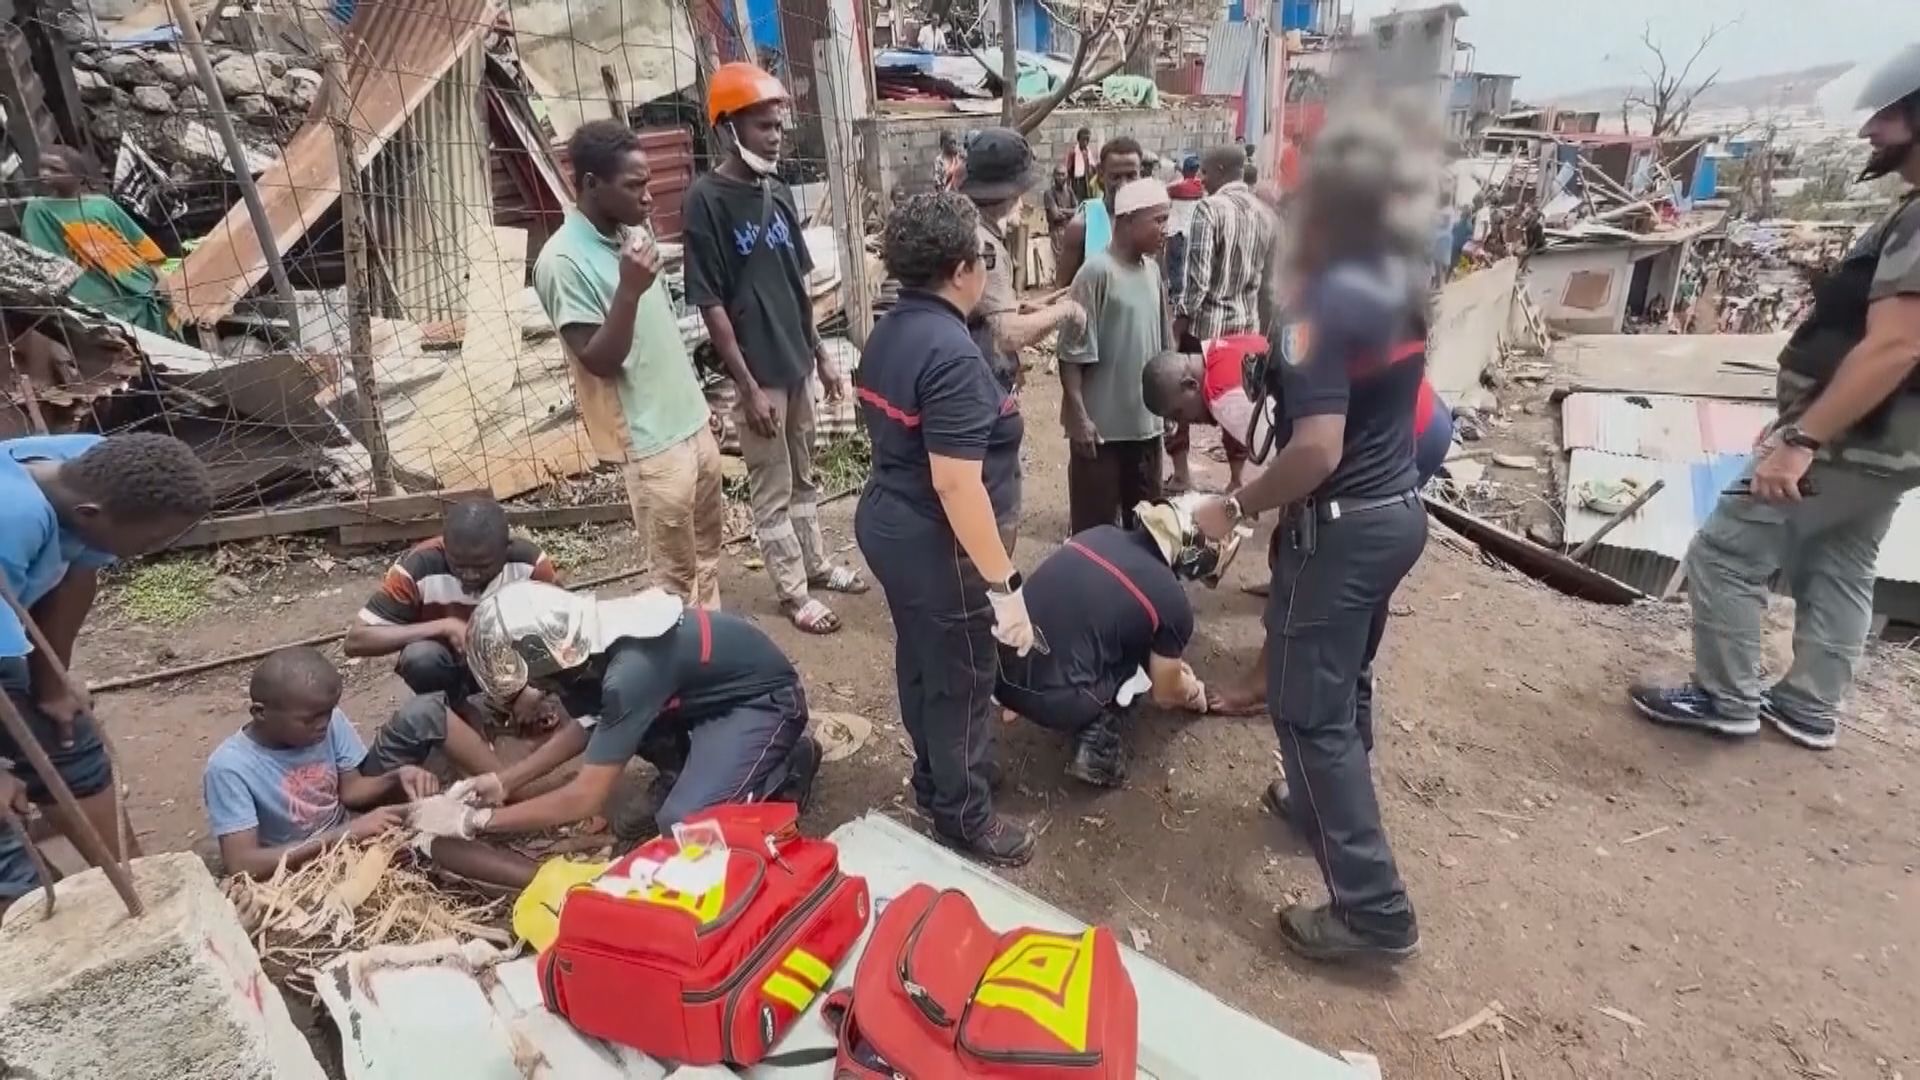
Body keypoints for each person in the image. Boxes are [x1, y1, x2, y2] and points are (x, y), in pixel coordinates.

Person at [1629, 47, 1920, 752]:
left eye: (1885, 117)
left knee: (1726, 553)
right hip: (1891, 445)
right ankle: (1810, 705)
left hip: (1856, 436)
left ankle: (1725, 697)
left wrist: (1802, 439)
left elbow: (1896, 346)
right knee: (1843, 561)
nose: (1868, 133)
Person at [1190, 115, 1431, 963]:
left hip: (1342, 527)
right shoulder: (1398, 283)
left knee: (1305, 709)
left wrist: (1240, 505)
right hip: (1395, 513)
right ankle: (1314, 802)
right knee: (1346, 679)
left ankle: (1372, 910)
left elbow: (1319, 448)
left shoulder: (1316, 312)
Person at [855, 192, 1039, 867]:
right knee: (964, 672)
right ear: (963, 269)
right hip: (936, 539)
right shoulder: (954, 356)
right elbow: (956, 484)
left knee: (923, 656)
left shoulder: (891, 330)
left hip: (889, 521)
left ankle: (937, 777)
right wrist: (1005, 584)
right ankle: (964, 814)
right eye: (984, 259)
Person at [406, 581, 822, 847]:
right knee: (636, 736)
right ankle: (692, 772)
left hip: (764, 702)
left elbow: (585, 797)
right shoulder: (587, 644)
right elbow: (589, 726)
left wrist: (476, 821)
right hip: (704, 703)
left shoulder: (631, 671)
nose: (534, 694)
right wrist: (503, 780)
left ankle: (788, 768)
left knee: (685, 824)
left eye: (531, 681)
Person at [683, 63, 866, 636]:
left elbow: (798, 285)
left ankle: (816, 564)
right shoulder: (705, 201)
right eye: (764, 125)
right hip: (758, 376)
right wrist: (746, 385)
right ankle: (791, 592)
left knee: (806, 475)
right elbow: (711, 304)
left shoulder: (778, 192)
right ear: (728, 129)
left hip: (796, 365)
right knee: (773, 485)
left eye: (779, 125)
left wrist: (822, 356)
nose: (777, 135)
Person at [0, 433, 212, 913]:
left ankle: (142, 892)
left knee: (66, 737)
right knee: (20, 881)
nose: (161, 547)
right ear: (91, 515)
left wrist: (52, 688)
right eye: (155, 540)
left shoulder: (91, 467)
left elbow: (78, 573)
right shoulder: (12, 521)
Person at [534, 122, 723, 611]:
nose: (648, 197)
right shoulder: (561, 261)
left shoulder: (632, 234)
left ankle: (715, 655)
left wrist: (699, 402)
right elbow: (597, 360)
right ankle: (688, 674)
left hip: (692, 424)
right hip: (651, 444)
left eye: (647, 183)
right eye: (634, 186)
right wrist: (628, 290)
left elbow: (659, 335)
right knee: (674, 584)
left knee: (708, 559)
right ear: (593, 184)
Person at [203, 647, 537, 887]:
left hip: (347, 832)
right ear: (260, 713)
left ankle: (546, 879)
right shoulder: (230, 768)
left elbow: (352, 791)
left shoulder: (325, 720)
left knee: (430, 819)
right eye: (311, 719)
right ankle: (541, 882)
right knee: (424, 843)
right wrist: (346, 835)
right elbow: (242, 864)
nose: (324, 725)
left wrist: (396, 776)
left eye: (328, 713)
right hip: (301, 865)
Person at [998, 500, 1225, 787]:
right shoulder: (1171, 601)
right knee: (1140, 658)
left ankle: (1026, 693)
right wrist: (1192, 691)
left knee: (1115, 633)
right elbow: (1166, 694)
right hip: (1052, 700)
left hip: (999, 669)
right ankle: (1097, 750)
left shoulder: (1100, 534)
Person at [342, 498, 558, 726]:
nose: (469, 575)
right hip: (453, 668)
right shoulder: (420, 566)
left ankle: (515, 698)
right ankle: (457, 710)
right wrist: (445, 625)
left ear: (507, 550)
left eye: (482, 566)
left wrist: (532, 688)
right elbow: (356, 639)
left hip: (510, 664)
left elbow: (565, 632)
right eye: (458, 565)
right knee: (420, 657)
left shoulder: (530, 565)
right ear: (445, 547)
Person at [1060, 177, 1174, 533]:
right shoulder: (1095, 273)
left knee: (1146, 528)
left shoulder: (1152, 271)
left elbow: (1162, 342)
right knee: (1096, 530)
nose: (1164, 230)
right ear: (1127, 221)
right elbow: (1071, 354)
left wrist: (1169, 404)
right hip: (1101, 434)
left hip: (1145, 429)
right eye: (1157, 220)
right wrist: (1079, 416)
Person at [22, 146, 177, 338]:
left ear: (79, 175)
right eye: (42, 167)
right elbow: (40, 257)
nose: (45, 173)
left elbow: (139, 242)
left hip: (137, 283)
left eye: (56, 169)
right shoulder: (38, 210)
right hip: (91, 296)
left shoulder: (103, 204)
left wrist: (161, 278)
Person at [1054, 137, 1145, 288]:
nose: (1123, 185)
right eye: (1115, 177)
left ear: (1140, 174)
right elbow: (1062, 290)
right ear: (1101, 175)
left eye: (1131, 176)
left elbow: (1158, 287)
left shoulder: (1151, 221)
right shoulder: (1082, 226)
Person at [1164, 155, 1205, 310]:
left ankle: (1176, 295)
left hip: (1175, 230)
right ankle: (1184, 295)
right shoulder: (1201, 187)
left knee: (1175, 264)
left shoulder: (1175, 187)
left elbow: (1167, 191)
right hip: (1191, 231)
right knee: (1188, 264)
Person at [1044, 165, 1078, 265]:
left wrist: (1062, 210)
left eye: (1063, 175)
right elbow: (1056, 216)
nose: (1060, 177)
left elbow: (1078, 211)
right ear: (1054, 176)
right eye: (1058, 174)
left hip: (1070, 229)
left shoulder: (1070, 191)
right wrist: (1070, 212)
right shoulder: (1049, 193)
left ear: (1067, 176)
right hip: (1057, 231)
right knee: (1061, 262)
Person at [1065, 127, 1095, 202]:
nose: (1085, 142)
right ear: (1079, 140)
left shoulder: (1088, 152)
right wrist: (1068, 186)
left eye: (1087, 140)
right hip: (1077, 183)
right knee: (1078, 201)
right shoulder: (1073, 152)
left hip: (1087, 181)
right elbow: (1068, 170)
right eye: (1083, 140)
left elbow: (1092, 166)